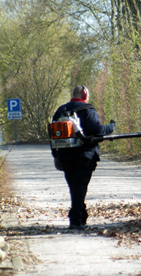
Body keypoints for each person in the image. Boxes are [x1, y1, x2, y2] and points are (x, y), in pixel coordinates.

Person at [51, 85, 116, 229]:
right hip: (84, 157)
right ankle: (75, 221)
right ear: (85, 94)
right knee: (79, 187)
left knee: (75, 188)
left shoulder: (60, 111)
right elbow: (98, 131)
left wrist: (55, 155)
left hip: (64, 156)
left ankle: (81, 215)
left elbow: (52, 135)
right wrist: (111, 127)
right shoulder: (88, 110)